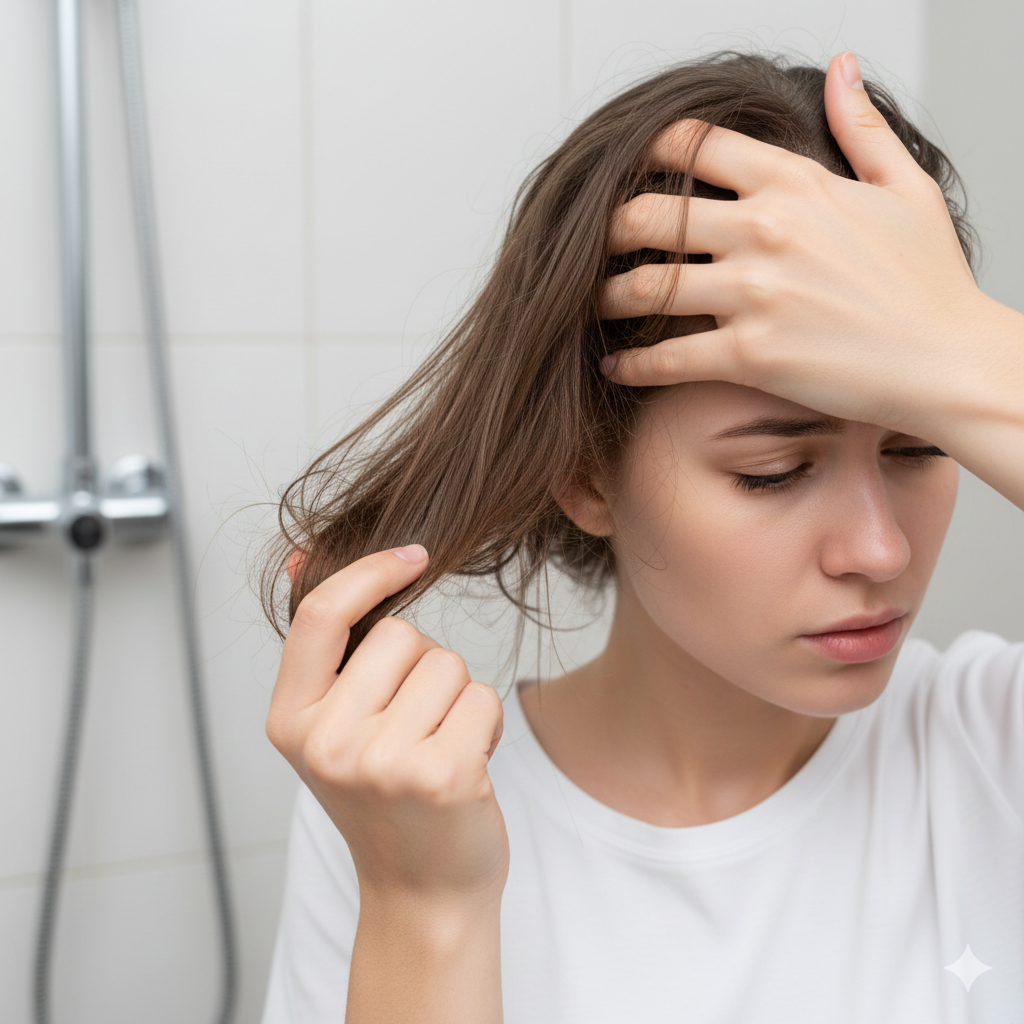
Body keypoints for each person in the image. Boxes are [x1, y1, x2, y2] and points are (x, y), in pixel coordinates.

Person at [258, 51, 1024, 1023]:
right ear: (584, 473)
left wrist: (962, 346)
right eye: (773, 473)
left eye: (922, 444)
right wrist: (427, 907)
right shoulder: (402, 811)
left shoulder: (994, 748)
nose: (879, 552)